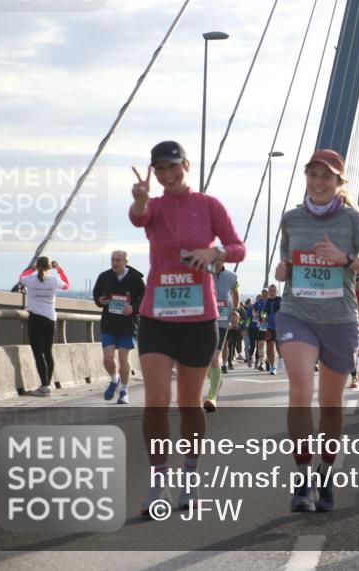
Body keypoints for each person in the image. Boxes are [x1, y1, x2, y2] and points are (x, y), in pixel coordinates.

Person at [130, 140, 246, 517]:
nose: (166, 174)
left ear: (186, 166)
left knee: (189, 402)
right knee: (156, 400)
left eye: (171, 167)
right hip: (157, 317)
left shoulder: (209, 205)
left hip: (199, 318)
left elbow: (237, 247)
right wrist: (142, 199)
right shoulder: (155, 206)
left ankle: (190, 480)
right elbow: (137, 218)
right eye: (159, 168)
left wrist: (215, 254)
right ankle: (158, 484)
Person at [273, 149, 359, 513]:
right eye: (313, 174)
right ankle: (303, 477)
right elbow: (287, 262)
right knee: (301, 390)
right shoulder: (290, 219)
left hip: (339, 319)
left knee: (332, 405)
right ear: (305, 176)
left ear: (340, 183)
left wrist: (347, 260)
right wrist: (284, 271)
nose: (319, 182)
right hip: (297, 314)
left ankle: (325, 472)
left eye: (327, 176)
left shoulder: (354, 221)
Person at [92, 250, 145, 404]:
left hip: (127, 325)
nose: (114, 263)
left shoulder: (136, 278)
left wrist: (133, 308)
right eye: (112, 259)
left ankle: (124, 391)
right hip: (109, 323)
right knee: (108, 359)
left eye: (118, 260)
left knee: (123, 358)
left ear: (125, 262)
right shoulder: (104, 276)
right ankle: (114, 380)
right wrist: (99, 301)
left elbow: (145, 299)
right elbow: (96, 295)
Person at [19, 257, 70, 397]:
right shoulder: (53, 280)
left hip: (36, 318)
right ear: (49, 267)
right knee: (47, 352)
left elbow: (21, 276)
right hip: (50, 319)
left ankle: (45, 386)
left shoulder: (30, 280)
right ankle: (46, 385)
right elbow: (67, 285)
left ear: (38, 266)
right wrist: (59, 269)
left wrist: (32, 268)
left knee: (38, 353)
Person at [203, 261, 240, 412]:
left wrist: (236, 310)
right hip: (205, 320)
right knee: (205, 359)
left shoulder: (231, 276)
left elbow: (236, 294)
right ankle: (217, 381)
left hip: (223, 321)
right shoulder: (204, 274)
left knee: (214, 358)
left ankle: (212, 397)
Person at [264, 283, 282, 375]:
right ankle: (272, 367)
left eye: (274, 291)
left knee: (279, 346)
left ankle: (281, 357)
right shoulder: (266, 302)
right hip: (269, 327)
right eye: (270, 291)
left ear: (276, 292)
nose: (272, 293)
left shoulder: (281, 300)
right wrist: (263, 317)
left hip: (279, 327)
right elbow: (263, 313)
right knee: (270, 347)